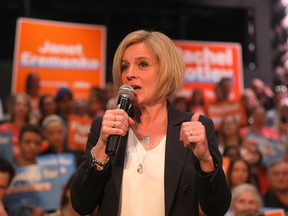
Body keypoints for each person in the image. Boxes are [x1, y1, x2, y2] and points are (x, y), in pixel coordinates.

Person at [70, 30, 231, 215]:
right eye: (124, 67)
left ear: (166, 70)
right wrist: (101, 146)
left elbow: (217, 208)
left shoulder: (196, 126)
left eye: (142, 65)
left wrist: (205, 161)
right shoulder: (104, 128)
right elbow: (81, 204)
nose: (129, 74)